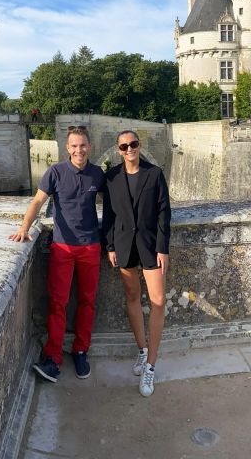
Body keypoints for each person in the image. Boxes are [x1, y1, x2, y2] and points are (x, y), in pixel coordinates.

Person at [9, 126, 104, 382]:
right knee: (58, 303)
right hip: (62, 246)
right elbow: (38, 201)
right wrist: (23, 228)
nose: (79, 150)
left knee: (87, 301)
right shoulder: (56, 172)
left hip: (90, 246)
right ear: (67, 148)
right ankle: (53, 357)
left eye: (82, 145)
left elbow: (117, 204)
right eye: (74, 146)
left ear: (89, 147)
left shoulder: (98, 174)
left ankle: (81, 350)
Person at [102, 130, 170, 397]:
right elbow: (107, 215)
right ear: (118, 150)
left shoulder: (154, 174)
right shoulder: (112, 177)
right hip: (123, 245)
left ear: (140, 146)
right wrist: (109, 245)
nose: (129, 149)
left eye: (133, 144)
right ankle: (142, 350)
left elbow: (164, 212)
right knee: (132, 295)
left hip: (150, 245)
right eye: (124, 146)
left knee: (158, 300)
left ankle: (151, 365)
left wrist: (163, 249)